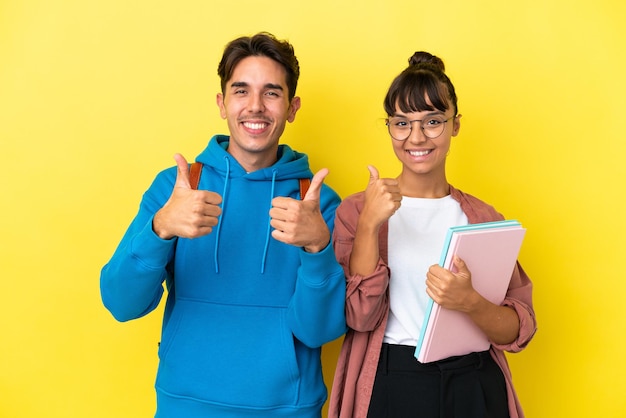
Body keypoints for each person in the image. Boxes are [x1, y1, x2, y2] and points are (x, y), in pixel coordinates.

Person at [100, 32, 346, 418]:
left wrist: (318, 250)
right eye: (241, 91)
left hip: (288, 409)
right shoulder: (177, 188)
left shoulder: (317, 202)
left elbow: (319, 332)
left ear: (292, 107)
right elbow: (121, 303)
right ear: (222, 103)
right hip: (185, 406)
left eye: (272, 93)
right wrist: (159, 228)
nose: (255, 107)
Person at [328, 52, 537, 418]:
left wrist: (470, 301)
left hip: (473, 382)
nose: (416, 137)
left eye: (433, 121)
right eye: (402, 123)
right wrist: (368, 227)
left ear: (455, 125)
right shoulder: (358, 210)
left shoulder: (484, 219)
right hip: (392, 379)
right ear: (389, 127)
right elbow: (359, 317)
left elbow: (518, 331)